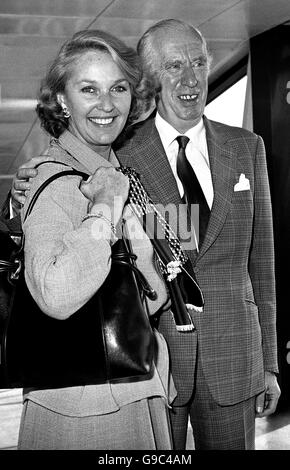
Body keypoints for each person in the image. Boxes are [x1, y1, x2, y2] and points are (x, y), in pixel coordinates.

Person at [9, 19, 280, 450]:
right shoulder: (116, 150)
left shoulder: (246, 147)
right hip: (135, 363)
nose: (189, 78)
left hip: (229, 358)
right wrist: (19, 198)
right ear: (150, 80)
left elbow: (261, 263)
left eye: (197, 63)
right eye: (173, 65)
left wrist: (269, 364)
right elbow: (56, 203)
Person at [11, 29, 177, 450]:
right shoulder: (55, 180)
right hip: (86, 410)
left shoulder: (119, 176)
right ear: (62, 100)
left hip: (134, 384)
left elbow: (155, 292)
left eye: (118, 88)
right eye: (89, 89)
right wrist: (102, 210)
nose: (106, 105)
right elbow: (57, 291)